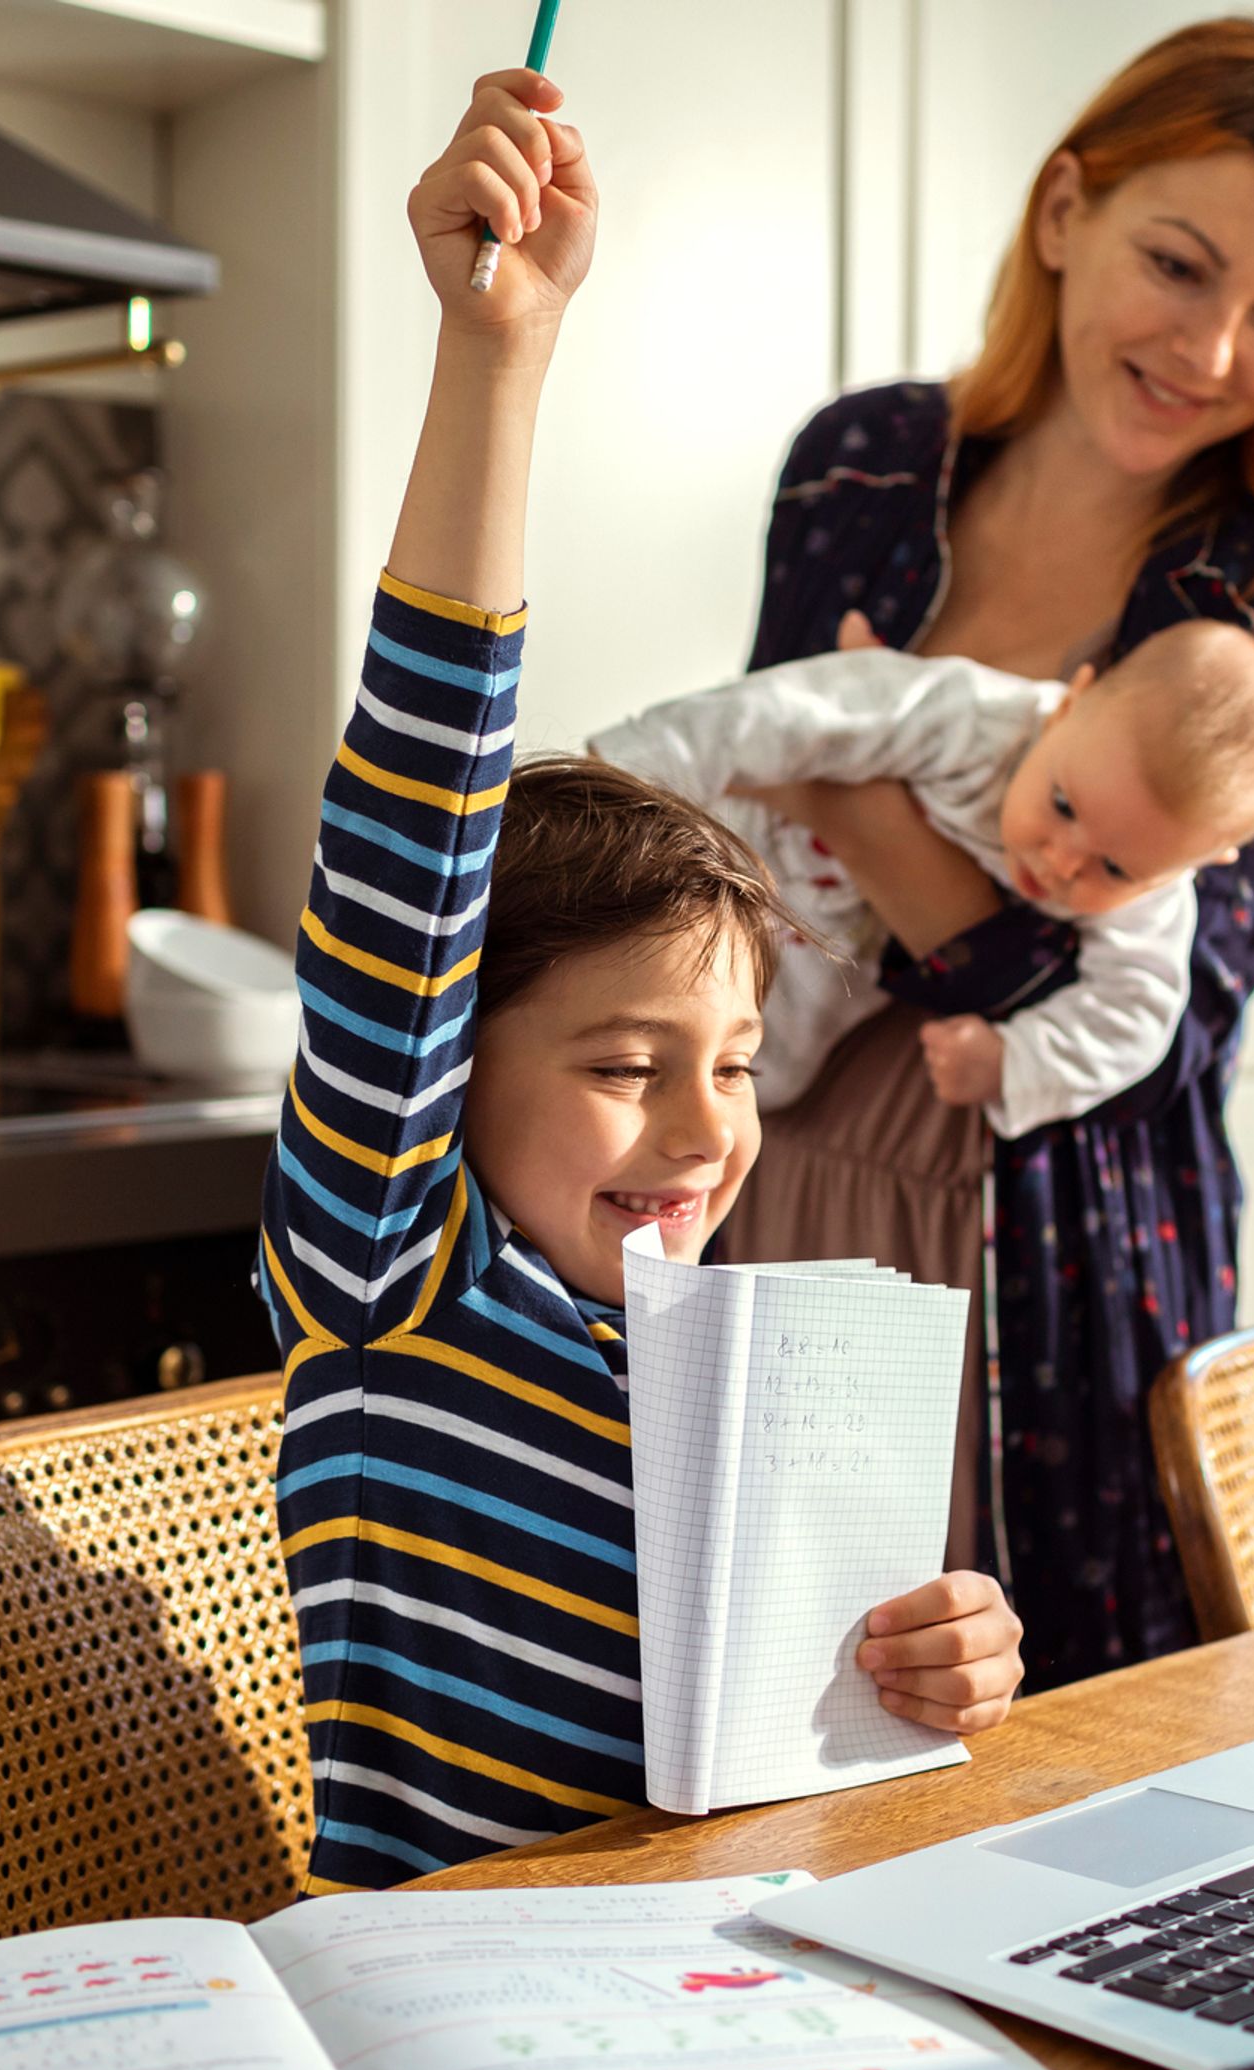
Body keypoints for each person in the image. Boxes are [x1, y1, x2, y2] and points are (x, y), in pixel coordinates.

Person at [259, 68, 1023, 1896]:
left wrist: (941, 1664)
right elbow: (414, 812)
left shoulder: (722, 1356)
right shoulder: (399, 1278)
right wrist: (498, 358)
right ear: (440, 1068)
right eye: (624, 1065)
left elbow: (816, 1782)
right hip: (457, 2006)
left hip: (734, 1989)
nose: (702, 1130)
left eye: (737, 1064)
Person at [723, 17, 1254, 1683]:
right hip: (779, 1166)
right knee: (767, 1723)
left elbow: (1128, 1015)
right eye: (1177, 267)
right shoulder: (862, 464)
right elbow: (757, 841)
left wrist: (866, 813)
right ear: (1063, 213)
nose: (1210, 350)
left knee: (1052, 1757)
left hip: (1062, 1246)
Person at [593, 619, 1254, 1138]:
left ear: (1197, 863)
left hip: (836, 948)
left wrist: (1016, 1059)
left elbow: (1135, 1014)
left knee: (754, 1072)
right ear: (1067, 705)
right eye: (1062, 805)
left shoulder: (1157, 891)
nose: (1061, 863)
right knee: (623, 953)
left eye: (1115, 868)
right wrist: (626, 772)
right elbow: (792, 712)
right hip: (746, 841)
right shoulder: (971, 715)